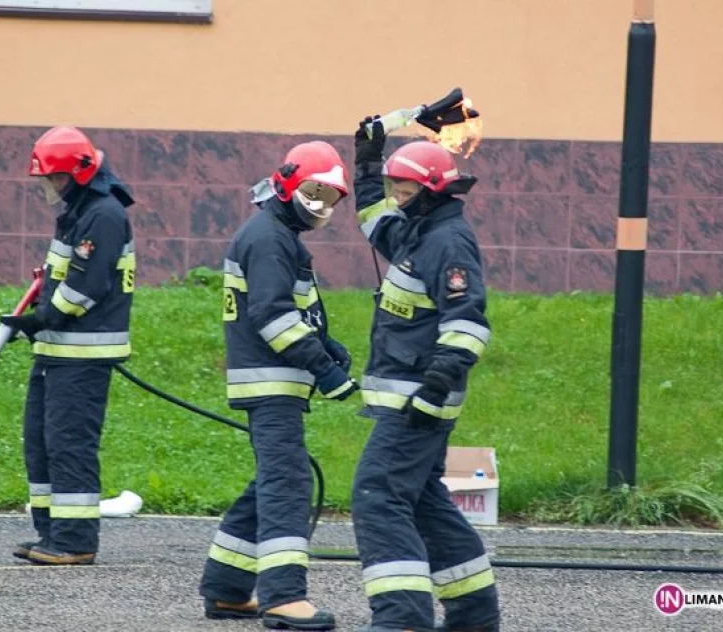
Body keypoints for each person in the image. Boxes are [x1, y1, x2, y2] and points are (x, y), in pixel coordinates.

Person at [198, 140, 359, 631]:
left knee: (270, 480)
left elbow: (291, 308)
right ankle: (284, 597)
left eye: (330, 199)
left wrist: (326, 345)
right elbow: (272, 316)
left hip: (273, 380)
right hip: (271, 382)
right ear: (287, 183)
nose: (321, 206)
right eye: (314, 193)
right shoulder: (269, 238)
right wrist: (324, 369)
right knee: (288, 483)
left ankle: (226, 588)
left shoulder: (275, 234)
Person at [350, 116, 501, 632]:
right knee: (423, 501)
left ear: (431, 190)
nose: (395, 196)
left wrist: (436, 382)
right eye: (393, 185)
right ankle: (474, 615)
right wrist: (368, 163)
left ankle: (402, 618)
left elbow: (468, 324)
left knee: (379, 495)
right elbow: (373, 219)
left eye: (403, 187)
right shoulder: (417, 231)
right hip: (407, 399)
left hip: (419, 403)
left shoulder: (448, 244)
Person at [1, 125, 136, 566]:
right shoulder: (78, 211)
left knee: (69, 443)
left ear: (78, 173)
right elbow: (58, 278)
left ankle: (75, 540)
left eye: (54, 178)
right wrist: (37, 313)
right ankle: (50, 532)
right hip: (57, 350)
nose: (49, 187)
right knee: (40, 441)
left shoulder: (104, 215)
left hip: (83, 354)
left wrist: (41, 318)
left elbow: (84, 288)